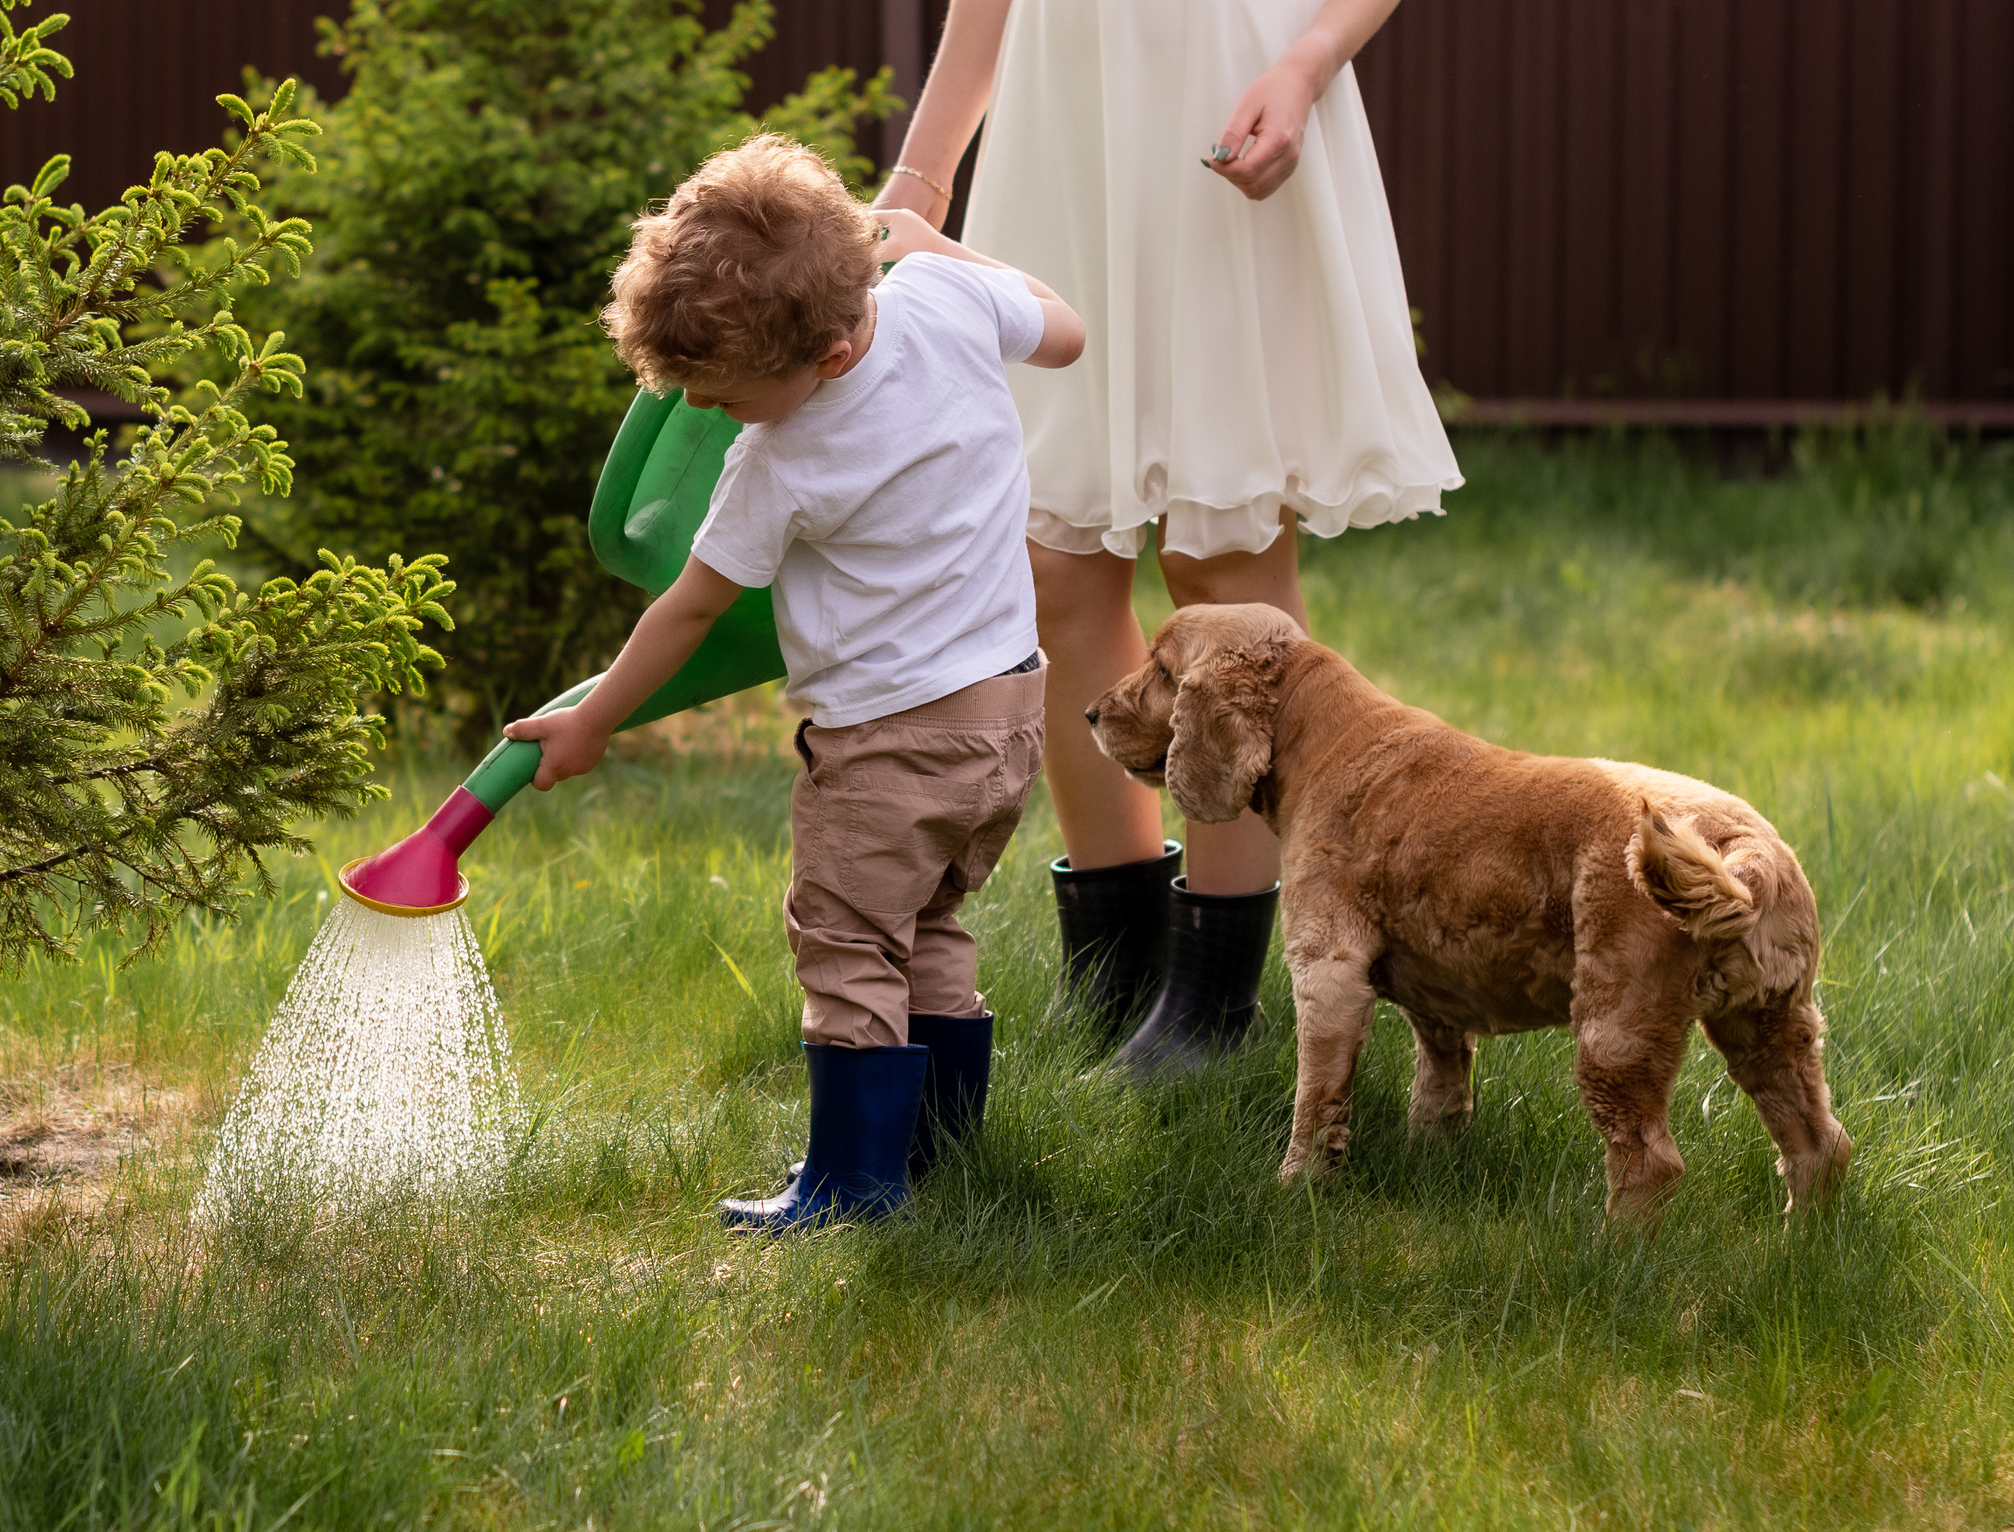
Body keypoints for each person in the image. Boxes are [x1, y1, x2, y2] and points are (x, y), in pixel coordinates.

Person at [506, 134, 1086, 1231]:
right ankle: (939, 1153)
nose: (713, 417)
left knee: (849, 941)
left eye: (724, 397)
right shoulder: (948, 301)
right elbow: (1065, 329)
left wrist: (592, 722)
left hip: (883, 742)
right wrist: (936, 245)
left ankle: (853, 1185)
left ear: (819, 359)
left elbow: (687, 606)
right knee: (931, 922)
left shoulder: (779, 462)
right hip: (1007, 714)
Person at [873, 0, 1462, 1073]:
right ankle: (1118, 968)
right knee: (1050, 561)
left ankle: (1214, 990)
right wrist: (920, 180)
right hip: (1063, 141)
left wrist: (1305, 64)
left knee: (1220, 556)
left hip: (1232, 100)